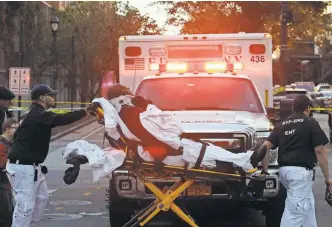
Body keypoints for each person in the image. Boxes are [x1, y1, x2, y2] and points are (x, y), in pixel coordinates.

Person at [5, 84, 92, 227]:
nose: (53, 97)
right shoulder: (38, 114)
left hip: (32, 167)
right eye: (51, 95)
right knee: (25, 207)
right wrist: (84, 111)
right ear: (42, 97)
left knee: (42, 198)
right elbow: (61, 119)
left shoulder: (34, 113)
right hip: (23, 167)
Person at [258, 94, 332, 227]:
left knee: (307, 206)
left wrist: (265, 170)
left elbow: (265, 147)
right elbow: (320, 151)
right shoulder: (310, 122)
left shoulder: (281, 124)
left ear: (293, 108)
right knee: (294, 214)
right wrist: (328, 178)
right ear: (308, 108)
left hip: (284, 173)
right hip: (300, 174)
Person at [0, 118, 18, 227]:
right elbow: (2, 164)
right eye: (15, 128)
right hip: (2, 185)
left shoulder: (10, 143)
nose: (17, 131)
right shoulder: (2, 144)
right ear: (8, 129)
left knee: (9, 215)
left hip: (7, 184)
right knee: (5, 216)